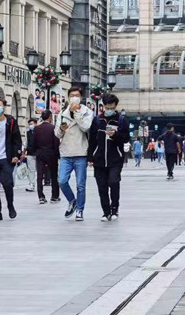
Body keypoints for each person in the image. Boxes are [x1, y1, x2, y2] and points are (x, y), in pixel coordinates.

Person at [88, 93, 129, 221]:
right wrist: (90, 157)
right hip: (99, 159)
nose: (109, 110)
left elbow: (126, 138)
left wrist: (115, 135)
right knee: (102, 186)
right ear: (103, 106)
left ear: (115, 106)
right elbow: (92, 140)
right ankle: (106, 212)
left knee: (113, 181)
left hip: (115, 158)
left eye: (111, 107)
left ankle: (115, 208)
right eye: (107, 107)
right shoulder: (97, 120)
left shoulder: (121, 121)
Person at [56, 86, 93, 221]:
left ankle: (80, 210)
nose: (74, 98)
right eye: (72, 95)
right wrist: (61, 128)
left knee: (80, 184)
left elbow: (86, 127)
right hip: (66, 152)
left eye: (77, 95)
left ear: (81, 97)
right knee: (61, 180)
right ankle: (72, 200)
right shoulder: (62, 113)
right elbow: (57, 134)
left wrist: (77, 113)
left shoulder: (87, 112)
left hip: (81, 152)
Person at [33, 110, 60, 204]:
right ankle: (54, 195)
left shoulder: (36, 128)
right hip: (51, 153)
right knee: (53, 175)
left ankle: (41, 196)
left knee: (40, 175)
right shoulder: (53, 128)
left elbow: (33, 142)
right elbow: (56, 142)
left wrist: (35, 152)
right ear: (50, 117)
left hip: (40, 153)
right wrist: (57, 154)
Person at [24, 118, 38, 194]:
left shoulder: (39, 132)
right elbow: (26, 143)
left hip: (38, 153)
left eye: (32, 124)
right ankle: (32, 184)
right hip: (30, 153)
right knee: (31, 169)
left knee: (39, 170)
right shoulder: (28, 133)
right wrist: (24, 153)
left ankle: (38, 184)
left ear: (36, 123)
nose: (30, 126)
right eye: (29, 124)